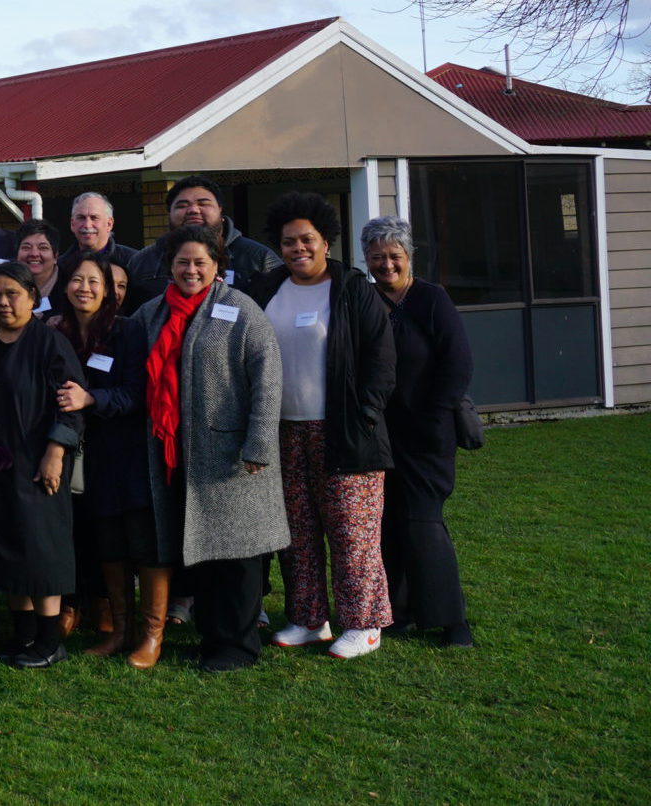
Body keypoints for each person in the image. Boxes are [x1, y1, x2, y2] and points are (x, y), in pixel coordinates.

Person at [249, 192, 397, 659]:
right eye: (289, 242)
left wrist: (365, 415)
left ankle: (364, 623)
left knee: (352, 531)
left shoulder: (354, 289)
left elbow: (381, 360)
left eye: (307, 240)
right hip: (283, 432)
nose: (298, 249)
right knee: (297, 533)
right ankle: (309, 618)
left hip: (345, 431)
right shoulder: (266, 289)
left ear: (326, 242)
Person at [135, 224, 289, 673]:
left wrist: (260, 441)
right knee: (201, 551)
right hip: (178, 452)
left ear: (218, 265)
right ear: (170, 265)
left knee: (237, 557)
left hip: (233, 455)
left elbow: (268, 376)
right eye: (183, 262)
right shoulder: (152, 314)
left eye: (201, 262)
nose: (191, 270)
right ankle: (212, 638)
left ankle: (237, 647)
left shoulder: (240, 310)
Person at [362, 215, 475, 648]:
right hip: (380, 433)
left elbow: (458, 363)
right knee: (386, 524)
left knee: (423, 522)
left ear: (409, 257)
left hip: (428, 432)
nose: (386, 264)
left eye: (394, 256)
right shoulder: (366, 299)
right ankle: (399, 611)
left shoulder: (432, 299)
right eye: (377, 257)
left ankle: (452, 621)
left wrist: (434, 415)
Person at [49, 253, 165, 667]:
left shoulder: (129, 331)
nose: (85, 288)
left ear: (110, 289)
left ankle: (152, 636)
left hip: (129, 453)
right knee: (109, 545)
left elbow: (138, 392)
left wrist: (92, 398)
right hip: (85, 458)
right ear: (64, 286)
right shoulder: (57, 331)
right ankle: (119, 631)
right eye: (77, 280)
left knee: (144, 545)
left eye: (94, 281)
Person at [0, 262, 85, 669]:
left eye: (12, 294)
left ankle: (49, 641)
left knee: (42, 551)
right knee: (8, 547)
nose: (3, 302)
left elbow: (71, 404)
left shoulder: (49, 343)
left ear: (33, 299)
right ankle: (22, 636)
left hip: (39, 461)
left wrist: (56, 451)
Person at [126, 175, 282, 314]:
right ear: (169, 214)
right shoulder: (142, 262)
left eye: (203, 203)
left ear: (220, 210)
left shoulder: (259, 258)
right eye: (182, 205)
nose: (193, 210)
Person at [57, 192, 139, 279]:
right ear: (72, 224)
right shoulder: (59, 267)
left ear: (109, 224)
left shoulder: (134, 262)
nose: (87, 225)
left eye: (94, 218)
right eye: (81, 218)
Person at [12, 219, 71, 318]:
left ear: (56, 256)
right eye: (26, 247)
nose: (34, 254)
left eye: (43, 248)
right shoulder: (6, 284)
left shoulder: (69, 287)